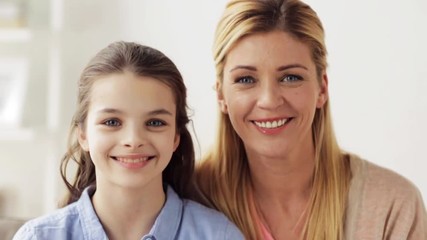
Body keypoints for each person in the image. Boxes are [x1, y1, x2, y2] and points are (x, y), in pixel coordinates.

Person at [192, 0, 427, 239]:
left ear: (322, 89)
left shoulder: (392, 206)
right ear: (221, 94)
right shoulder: (186, 195)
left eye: (290, 77)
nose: (269, 100)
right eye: (245, 79)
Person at [13, 41, 244, 240]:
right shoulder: (38, 236)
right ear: (82, 135)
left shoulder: (218, 235)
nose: (133, 140)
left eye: (155, 123)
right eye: (112, 122)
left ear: (175, 137)